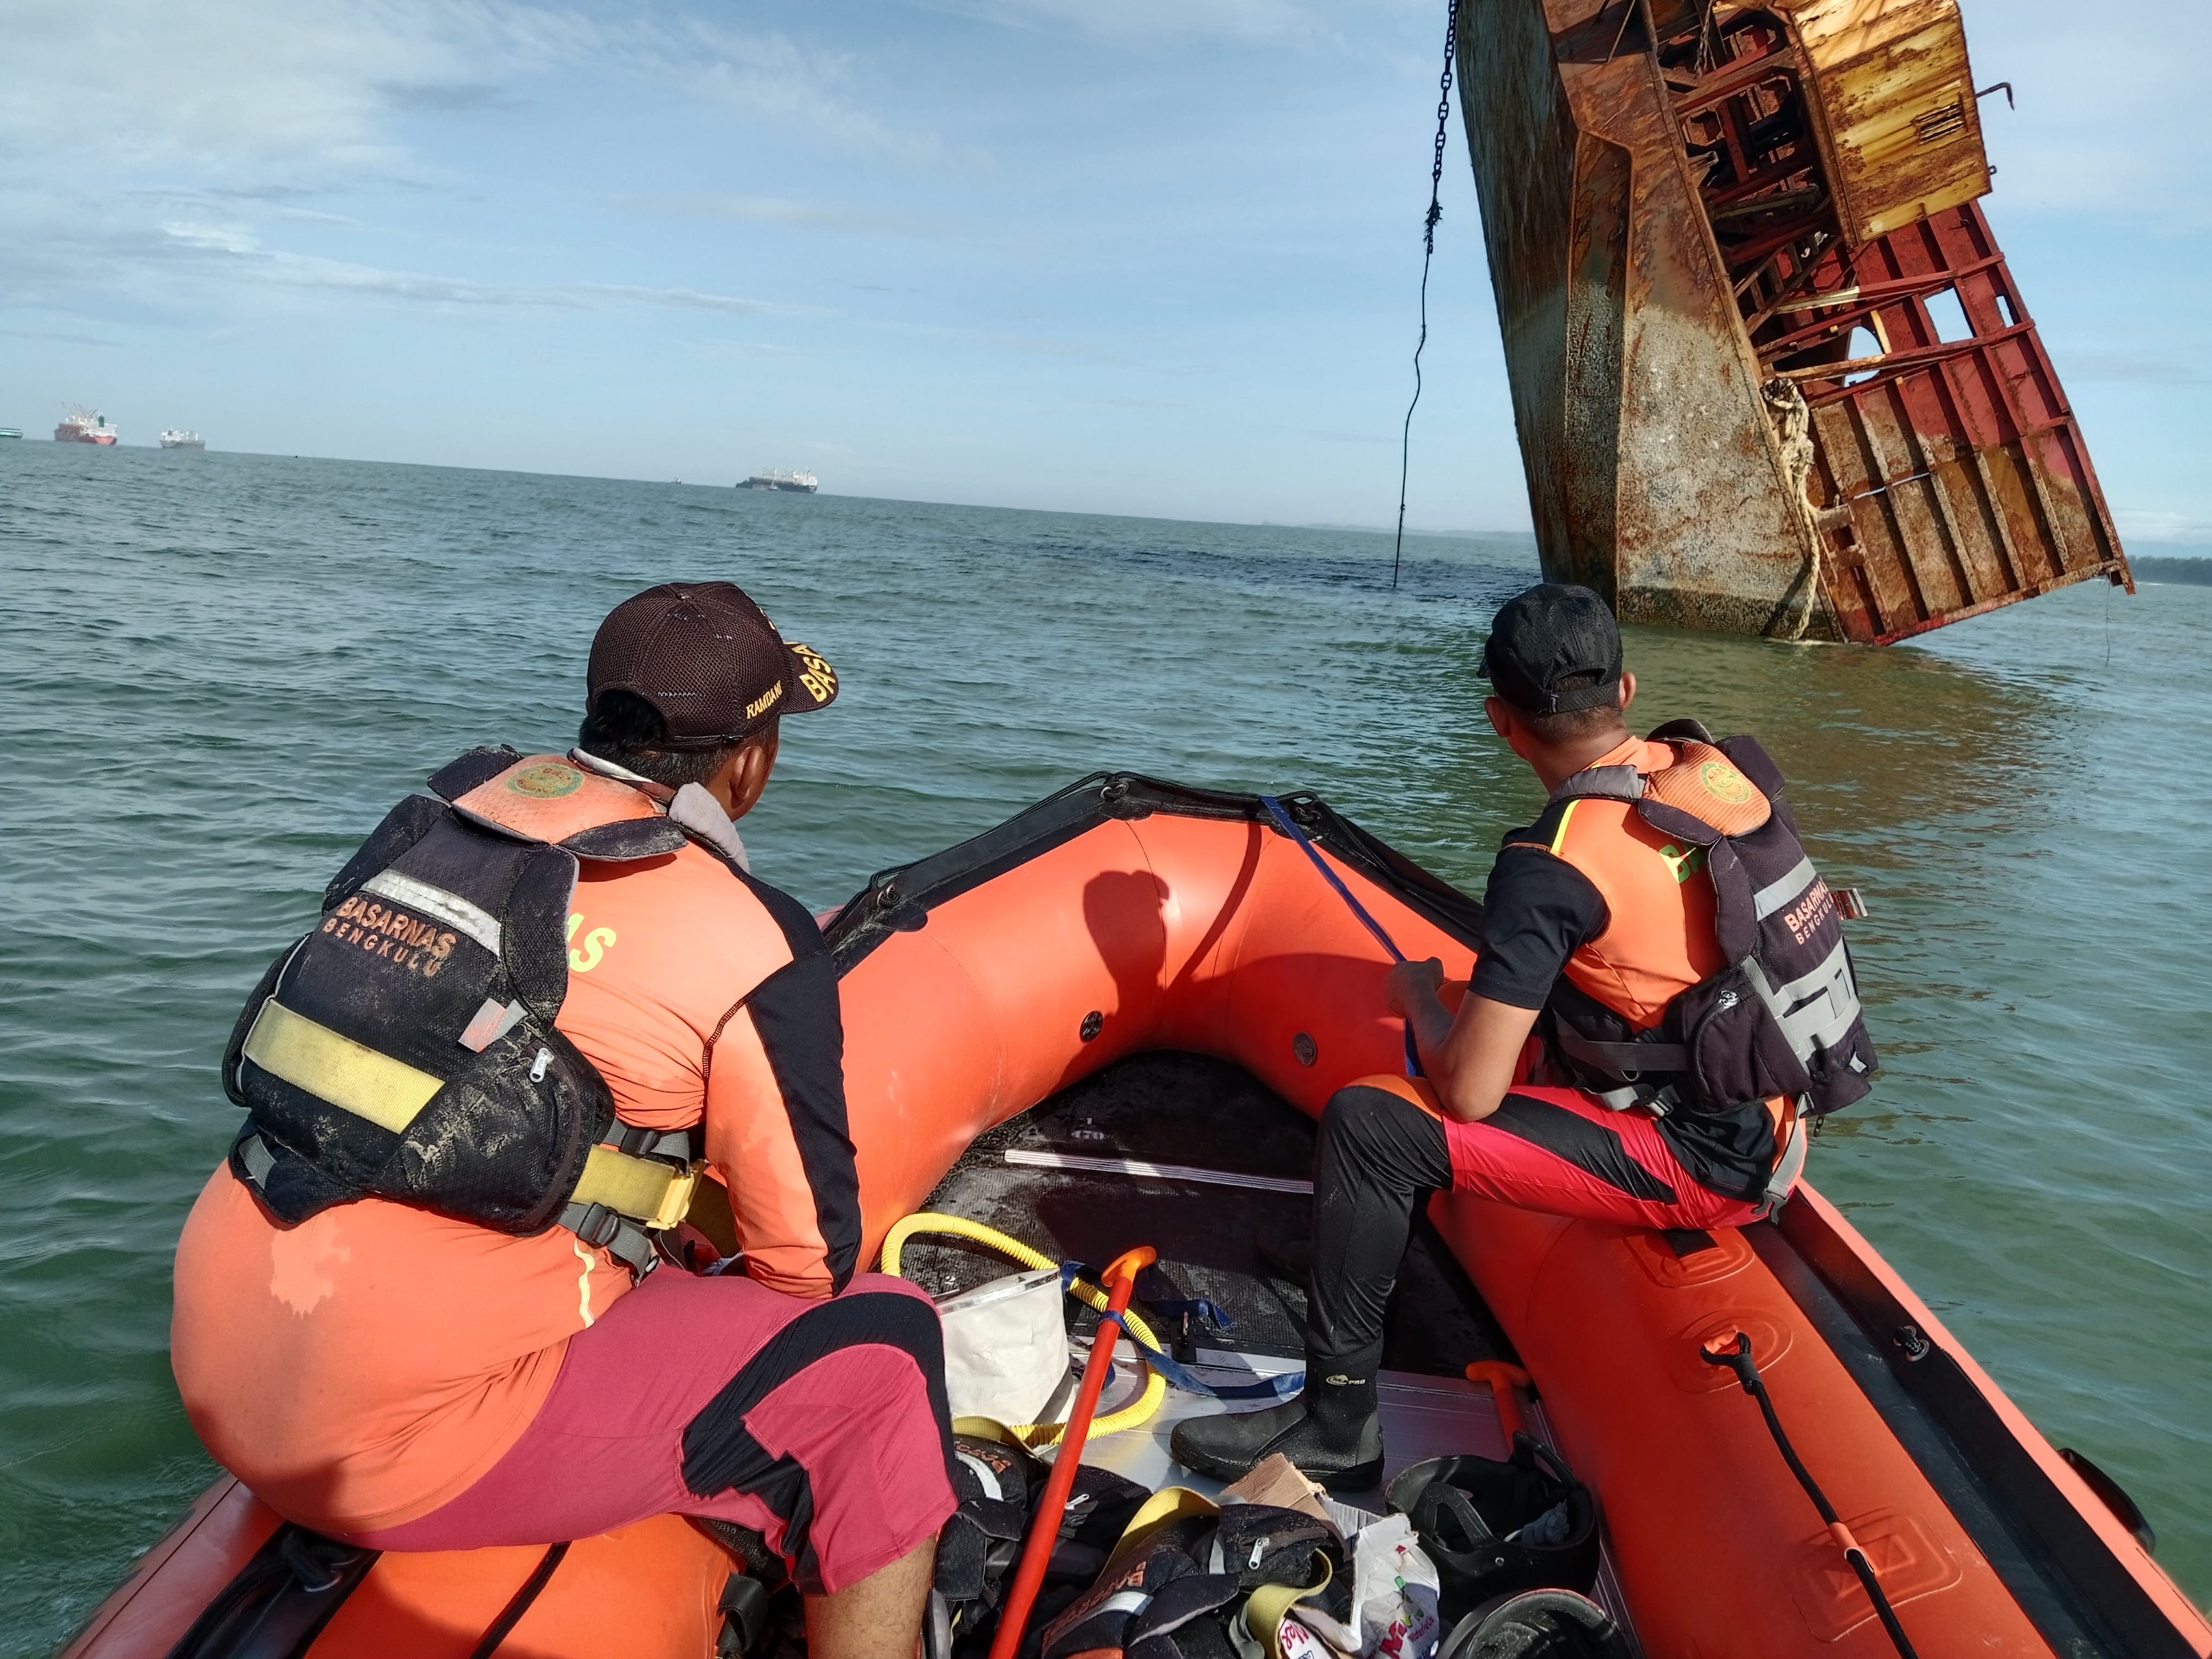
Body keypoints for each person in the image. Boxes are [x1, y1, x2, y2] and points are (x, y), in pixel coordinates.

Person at [172, 582, 954, 1659]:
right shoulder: (753, 938)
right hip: (396, 1444)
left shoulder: (439, 828)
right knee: (888, 1351)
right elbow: (804, 1266)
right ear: (750, 763)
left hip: (213, 1360)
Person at [1171, 583, 1876, 1489]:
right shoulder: (1704, 773)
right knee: (1474, 1046)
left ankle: (1337, 1420)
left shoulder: (1550, 862)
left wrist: (1425, 1005)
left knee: (1370, 1126)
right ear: (1625, 693)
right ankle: (1350, 1259)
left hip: (1700, 1158)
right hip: (1766, 1107)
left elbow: (1468, 1094)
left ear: (1500, 721)